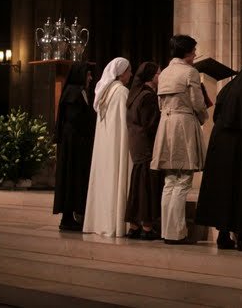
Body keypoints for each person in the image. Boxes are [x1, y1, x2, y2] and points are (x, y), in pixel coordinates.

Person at [195, 57, 242, 251]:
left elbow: (217, 115)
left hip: (221, 147)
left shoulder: (228, 89)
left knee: (225, 190)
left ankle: (223, 236)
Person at [150, 35, 208, 245]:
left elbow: (159, 103)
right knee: (183, 180)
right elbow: (197, 103)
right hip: (183, 123)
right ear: (186, 52)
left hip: (166, 124)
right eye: (193, 50)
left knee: (169, 181)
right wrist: (202, 118)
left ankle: (167, 231)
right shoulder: (190, 72)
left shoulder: (164, 72)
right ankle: (177, 233)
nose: (194, 54)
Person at [83, 57, 132, 237]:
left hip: (105, 147)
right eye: (128, 70)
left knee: (105, 182)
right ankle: (114, 223)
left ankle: (102, 222)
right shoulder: (121, 92)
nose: (131, 74)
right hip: (117, 143)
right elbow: (125, 123)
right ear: (120, 73)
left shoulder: (103, 92)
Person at [53, 62, 95, 232]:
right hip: (73, 144)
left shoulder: (79, 92)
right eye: (88, 74)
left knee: (74, 178)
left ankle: (72, 216)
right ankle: (68, 218)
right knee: (71, 177)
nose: (91, 78)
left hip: (77, 143)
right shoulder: (73, 93)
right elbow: (75, 119)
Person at [125, 62, 163, 240]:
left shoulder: (136, 95)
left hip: (137, 146)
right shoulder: (148, 96)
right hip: (147, 147)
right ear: (151, 77)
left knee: (137, 187)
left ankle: (133, 226)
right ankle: (147, 228)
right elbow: (151, 125)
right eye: (158, 73)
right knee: (147, 187)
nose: (160, 75)